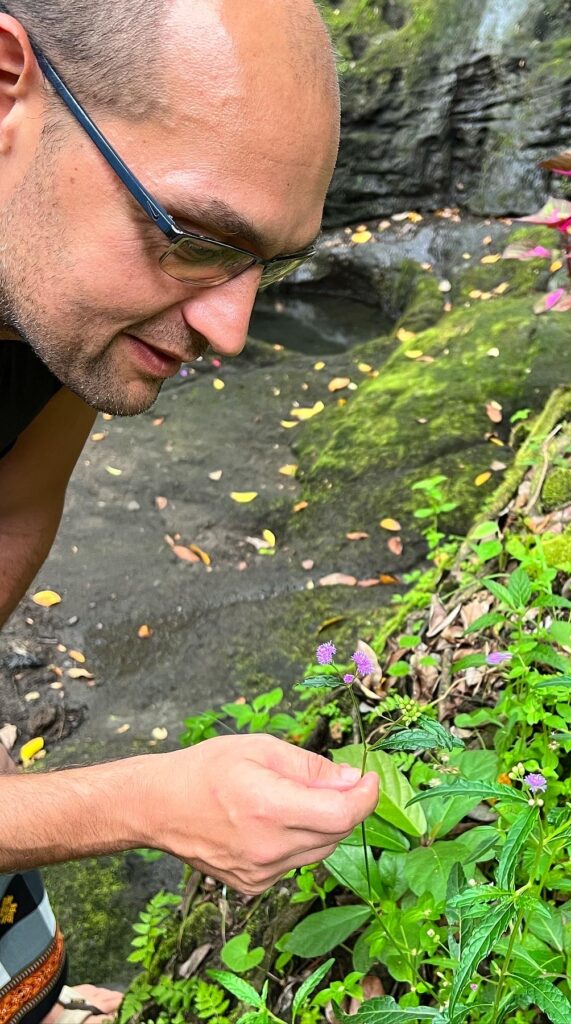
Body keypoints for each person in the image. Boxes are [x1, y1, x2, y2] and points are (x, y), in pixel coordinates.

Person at [0, 1, 381, 1021]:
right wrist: (151, 801)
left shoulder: (54, 310)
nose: (232, 328)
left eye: (270, 263)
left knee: (19, 980)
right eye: (195, 238)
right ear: (8, 90)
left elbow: (15, 508)